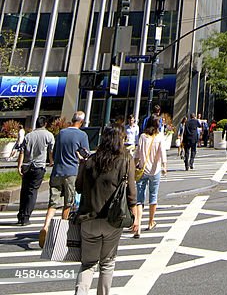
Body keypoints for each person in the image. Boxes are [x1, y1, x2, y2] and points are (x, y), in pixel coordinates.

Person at [74, 123, 136, 295]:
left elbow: (78, 187)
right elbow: (131, 192)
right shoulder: (125, 160)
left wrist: (82, 166)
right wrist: (136, 216)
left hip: (88, 218)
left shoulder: (91, 160)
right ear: (120, 139)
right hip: (112, 219)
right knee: (107, 263)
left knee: (88, 264)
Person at [40, 111, 90, 248]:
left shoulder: (61, 133)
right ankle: (62, 230)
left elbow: (55, 152)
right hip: (71, 172)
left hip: (57, 171)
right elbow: (86, 154)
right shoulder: (82, 135)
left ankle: (46, 225)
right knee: (68, 202)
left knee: (53, 202)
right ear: (81, 122)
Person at [17, 117, 54, 225]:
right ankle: (26, 217)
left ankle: (21, 215)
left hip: (27, 165)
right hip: (39, 166)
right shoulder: (49, 135)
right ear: (45, 124)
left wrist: (19, 166)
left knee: (24, 190)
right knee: (32, 191)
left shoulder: (29, 135)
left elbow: (22, 151)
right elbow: (50, 151)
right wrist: (51, 161)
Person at [134, 115, 167, 234]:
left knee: (139, 198)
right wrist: (164, 165)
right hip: (155, 170)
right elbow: (162, 152)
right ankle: (151, 221)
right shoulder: (159, 137)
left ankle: (137, 224)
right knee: (153, 196)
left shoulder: (142, 136)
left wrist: (134, 166)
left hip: (142, 170)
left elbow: (137, 154)